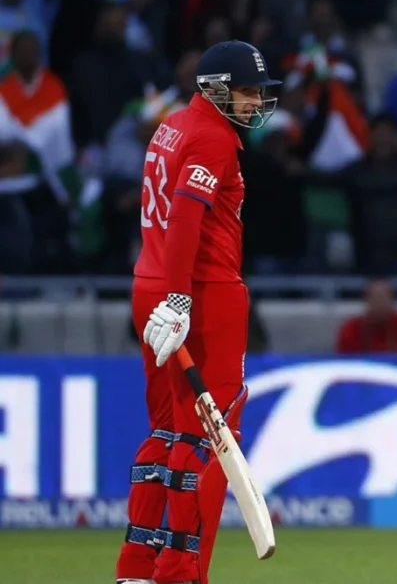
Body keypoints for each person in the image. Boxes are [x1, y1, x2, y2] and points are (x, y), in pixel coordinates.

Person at [115, 40, 280, 584]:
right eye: (248, 91)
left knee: (165, 430)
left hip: (150, 283)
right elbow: (186, 217)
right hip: (201, 293)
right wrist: (181, 297)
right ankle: (182, 572)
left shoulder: (173, 126)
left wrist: (165, 293)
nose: (256, 103)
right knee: (209, 436)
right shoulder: (213, 138)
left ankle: (136, 566)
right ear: (215, 88)